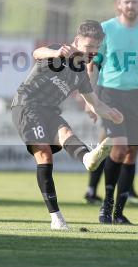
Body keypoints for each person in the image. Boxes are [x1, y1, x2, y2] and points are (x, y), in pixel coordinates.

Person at [11, 20, 123, 230]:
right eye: (88, 47)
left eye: (96, 48)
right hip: (27, 106)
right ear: (76, 42)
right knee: (44, 153)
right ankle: (56, 218)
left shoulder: (81, 73)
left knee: (66, 133)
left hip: (50, 111)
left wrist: (111, 113)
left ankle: (88, 158)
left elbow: (95, 103)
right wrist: (55, 54)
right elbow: (37, 53)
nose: (92, 52)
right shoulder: (59, 51)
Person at [85, 0, 138, 225]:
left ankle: (119, 212)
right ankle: (106, 205)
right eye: (126, 2)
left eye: (135, 2)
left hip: (137, 97)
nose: (130, 6)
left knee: (131, 153)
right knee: (118, 148)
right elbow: (94, 66)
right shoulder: (106, 29)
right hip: (110, 94)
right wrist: (91, 101)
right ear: (118, 5)